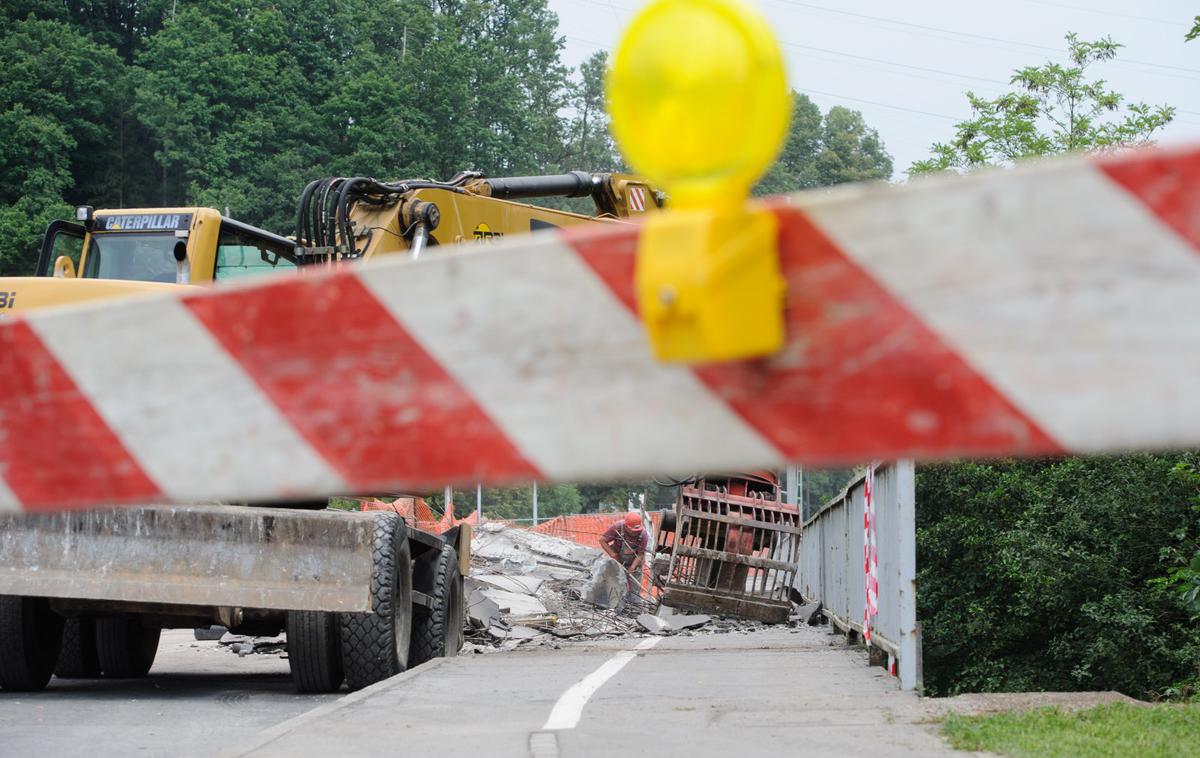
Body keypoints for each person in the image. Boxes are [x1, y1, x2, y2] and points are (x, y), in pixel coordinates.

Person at [599, 512, 648, 600]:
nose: (635, 533)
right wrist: (613, 555)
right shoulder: (617, 528)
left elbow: (641, 554)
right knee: (616, 585)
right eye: (633, 531)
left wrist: (632, 567)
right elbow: (602, 540)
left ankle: (634, 607)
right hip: (618, 561)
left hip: (635, 563)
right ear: (626, 526)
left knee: (635, 591)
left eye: (637, 531)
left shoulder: (643, 534)